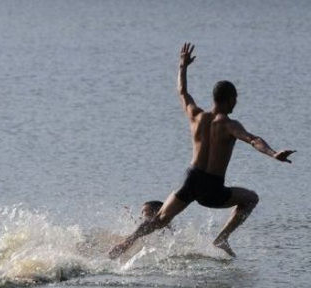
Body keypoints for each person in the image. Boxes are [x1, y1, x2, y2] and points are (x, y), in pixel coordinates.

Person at [109, 43, 295, 258]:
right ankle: (222, 238)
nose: (236, 103)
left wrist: (182, 66)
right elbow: (253, 140)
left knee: (159, 219)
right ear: (227, 99)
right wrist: (274, 154)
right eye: (235, 99)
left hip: (191, 179)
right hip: (212, 188)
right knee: (251, 198)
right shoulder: (229, 124)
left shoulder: (196, 116)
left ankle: (125, 244)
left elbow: (182, 92)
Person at [78, 201, 164, 258]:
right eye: (141, 213)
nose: (141, 216)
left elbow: (148, 224)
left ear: (156, 212)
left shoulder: (155, 228)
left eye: (144, 212)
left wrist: (126, 243)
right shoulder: (146, 229)